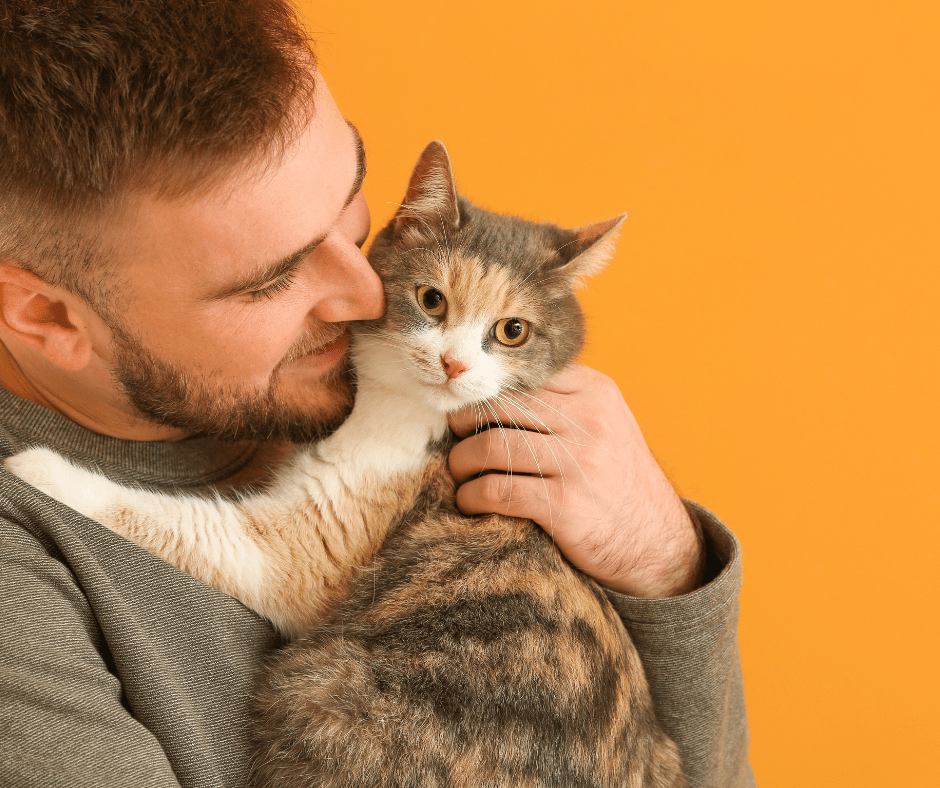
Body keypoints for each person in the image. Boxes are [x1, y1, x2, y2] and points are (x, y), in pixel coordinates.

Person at [0, 1, 754, 786]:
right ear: (49, 315)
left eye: (354, 212)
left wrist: (665, 562)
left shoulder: (402, 387)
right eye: (274, 278)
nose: (368, 295)